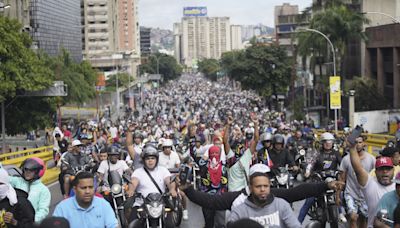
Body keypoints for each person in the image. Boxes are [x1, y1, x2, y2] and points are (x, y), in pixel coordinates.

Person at [178, 164, 344, 211]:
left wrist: (326, 184)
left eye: (266, 184)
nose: (264, 189)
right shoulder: (237, 200)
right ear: (250, 184)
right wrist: (189, 190)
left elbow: (296, 192)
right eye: (259, 186)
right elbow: (211, 202)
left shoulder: (275, 196)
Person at [227, 164, 301, 227]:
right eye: (258, 186)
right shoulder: (239, 210)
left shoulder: (282, 205)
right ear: (250, 188)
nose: (262, 189)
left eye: (265, 186)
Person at [349, 141, 395, 228]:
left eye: (388, 169)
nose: (385, 172)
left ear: (393, 171)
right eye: (381, 169)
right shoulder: (370, 183)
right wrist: (352, 149)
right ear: (376, 171)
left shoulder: (397, 187)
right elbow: (358, 168)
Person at [127, 144, 177, 220]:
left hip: (160, 204)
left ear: (156, 160)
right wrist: (131, 190)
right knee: (132, 222)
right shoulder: (138, 172)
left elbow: (169, 181)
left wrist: (172, 189)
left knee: (170, 224)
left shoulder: (163, 170)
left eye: (153, 158)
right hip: (141, 203)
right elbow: (133, 182)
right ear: (143, 160)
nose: (150, 161)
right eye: (148, 158)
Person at [53, 172, 118, 228]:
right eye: (83, 188)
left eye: (90, 187)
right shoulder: (62, 208)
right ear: (75, 189)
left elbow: (113, 225)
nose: (87, 191)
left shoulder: (103, 205)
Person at [338, 135, 375, 228]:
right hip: (351, 194)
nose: (357, 145)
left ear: (364, 144)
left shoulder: (371, 159)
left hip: (366, 195)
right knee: (353, 218)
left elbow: (375, 177)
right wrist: (337, 195)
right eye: (355, 142)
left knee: (364, 219)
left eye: (359, 142)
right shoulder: (346, 159)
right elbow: (341, 179)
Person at [9, 157, 50, 223]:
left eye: (31, 170)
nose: (27, 172)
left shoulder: (43, 190)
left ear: (38, 172)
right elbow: (4, 178)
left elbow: (43, 210)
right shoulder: (17, 181)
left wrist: (32, 221)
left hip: (31, 223)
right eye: (26, 169)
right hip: (14, 222)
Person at [198, 145, 228, 228]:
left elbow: (225, 184)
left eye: (216, 153)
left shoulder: (223, 167)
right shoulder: (205, 166)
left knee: (221, 223)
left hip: (220, 198)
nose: (214, 155)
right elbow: (199, 161)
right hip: (207, 198)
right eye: (212, 153)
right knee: (208, 222)